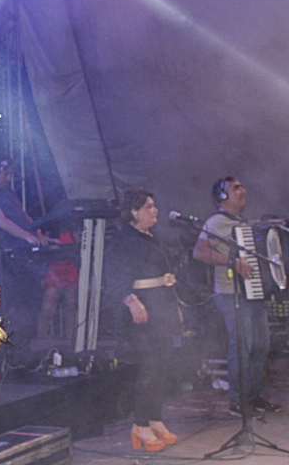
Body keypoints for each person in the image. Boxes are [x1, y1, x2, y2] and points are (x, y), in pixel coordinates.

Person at [192, 176, 281, 419]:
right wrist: (232, 262)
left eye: (242, 187)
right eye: (237, 188)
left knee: (260, 346)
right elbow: (199, 252)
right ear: (223, 196)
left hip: (254, 293)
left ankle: (252, 395)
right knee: (242, 346)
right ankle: (238, 400)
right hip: (231, 293)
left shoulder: (243, 223)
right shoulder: (216, 222)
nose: (243, 192)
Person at [104, 188, 182, 452]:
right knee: (149, 367)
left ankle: (155, 419)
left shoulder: (153, 238)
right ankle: (140, 424)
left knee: (161, 367)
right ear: (134, 212)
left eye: (153, 205)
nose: (155, 210)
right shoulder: (123, 241)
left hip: (162, 311)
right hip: (140, 315)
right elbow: (114, 277)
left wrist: (175, 306)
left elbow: (165, 276)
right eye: (148, 206)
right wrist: (131, 300)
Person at [0, 153, 49, 348]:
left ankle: (26, 348)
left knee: (31, 304)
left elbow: (24, 217)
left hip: (23, 257)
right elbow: (1, 220)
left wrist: (38, 234)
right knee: (13, 307)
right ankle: (11, 353)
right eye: (6, 174)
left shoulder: (7, 193)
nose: (8, 178)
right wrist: (27, 236)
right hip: (6, 259)